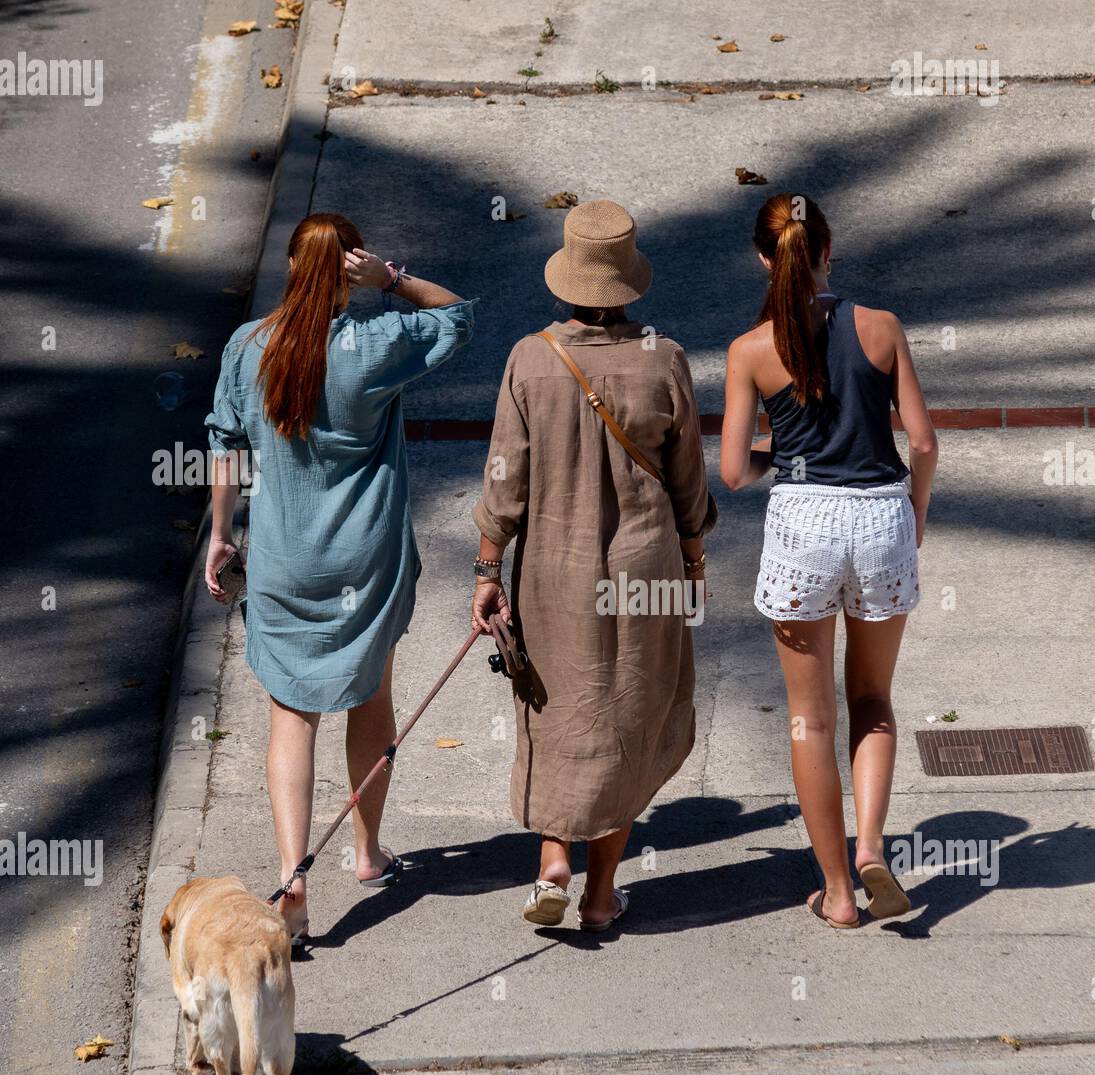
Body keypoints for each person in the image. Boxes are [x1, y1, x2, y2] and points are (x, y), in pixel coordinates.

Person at [204, 212, 474, 944]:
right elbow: (457, 315)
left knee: (292, 715)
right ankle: (365, 851)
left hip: (285, 560)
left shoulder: (247, 347)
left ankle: (293, 876)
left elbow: (224, 445)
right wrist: (391, 277)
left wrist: (222, 534)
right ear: (348, 267)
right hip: (368, 557)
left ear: (292, 267)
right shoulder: (377, 344)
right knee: (371, 700)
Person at [472, 200, 715, 931]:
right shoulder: (663, 359)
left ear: (565, 279)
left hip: (553, 568)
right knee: (629, 716)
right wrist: (695, 555)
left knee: (561, 709)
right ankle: (602, 894)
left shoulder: (530, 357)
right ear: (629, 283)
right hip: (647, 565)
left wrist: (489, 569)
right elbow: (689, 480)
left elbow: (503, 480)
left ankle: (553, 859)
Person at [720, 193, 937, 930]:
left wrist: (778, 460)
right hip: (881, 513)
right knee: (872, 700)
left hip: (804, 518)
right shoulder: (882, 327)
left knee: (809, 721)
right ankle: (873, 848)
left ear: (762, 257)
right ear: (828, 251)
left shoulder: (750, 350)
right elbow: (926, 443)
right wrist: (916, 515)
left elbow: (731, 472)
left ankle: (838, 893)